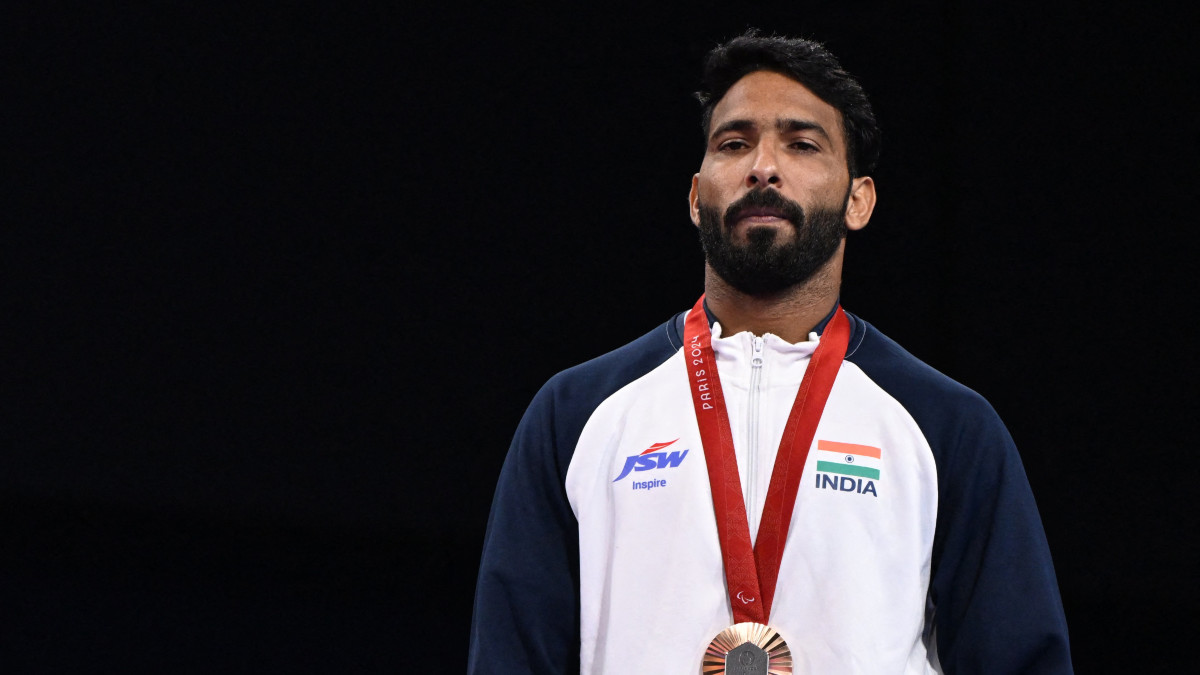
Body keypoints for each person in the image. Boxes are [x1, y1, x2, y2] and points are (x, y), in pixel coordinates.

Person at [469, 31, 1072, 674]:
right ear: (697, 197)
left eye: (802, 143)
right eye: (734, 143)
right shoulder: (576, 413)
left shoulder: (948, 426)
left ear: (858, 200)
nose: (762, 166)